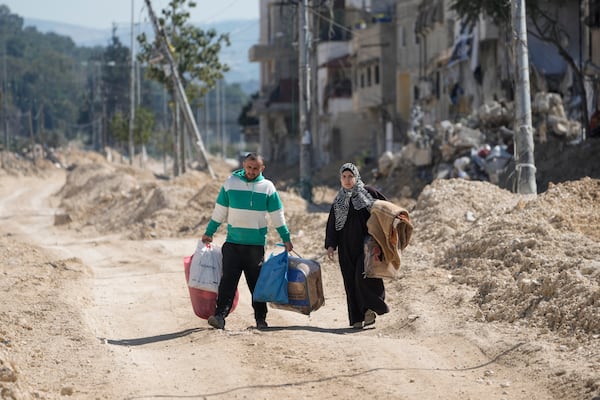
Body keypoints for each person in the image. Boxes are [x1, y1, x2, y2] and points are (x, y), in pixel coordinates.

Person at [202, 153, 293, 330]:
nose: (251, 171)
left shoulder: (267, 187)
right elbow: (220, 211)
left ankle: (261, 319)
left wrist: (286, 238)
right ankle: (220, 316)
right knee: (227, 282)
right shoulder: (230, 183)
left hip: (255, 247)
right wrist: (209, 232)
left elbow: (277, 216)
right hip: (233, 244)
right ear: (244, 165)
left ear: (262, 168)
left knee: (257, 285)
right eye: (249, 167)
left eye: (255, 168)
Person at [325, 162, 389, 329]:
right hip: (346, 248)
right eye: (344, 177)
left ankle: (370, 310)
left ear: (356, 177)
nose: (347, 180)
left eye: (350, 176)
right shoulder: (339, 200)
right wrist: (330, 245)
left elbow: (386, 210)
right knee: (350, 282)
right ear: (340, 178)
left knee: (364, 277)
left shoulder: (369, 193)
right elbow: (332, 225)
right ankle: (356, 318)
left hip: (367, 245)